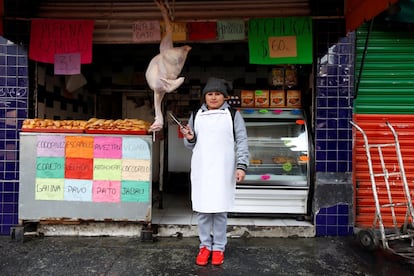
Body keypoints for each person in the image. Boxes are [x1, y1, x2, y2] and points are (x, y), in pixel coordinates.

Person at [180, 77, 249, 266]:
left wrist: (241, 166)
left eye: (217, 94)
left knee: (219, 211)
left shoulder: (233, 115)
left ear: (225, 97)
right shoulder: (197, 114)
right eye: (209, 94)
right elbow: (190, 143)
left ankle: (218, 247)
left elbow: (242, 142)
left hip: (223, 169)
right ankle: (205, 246)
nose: (213, 97)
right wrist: (189, 136)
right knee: (203, 210)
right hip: (202, 168)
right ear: (204, 97)